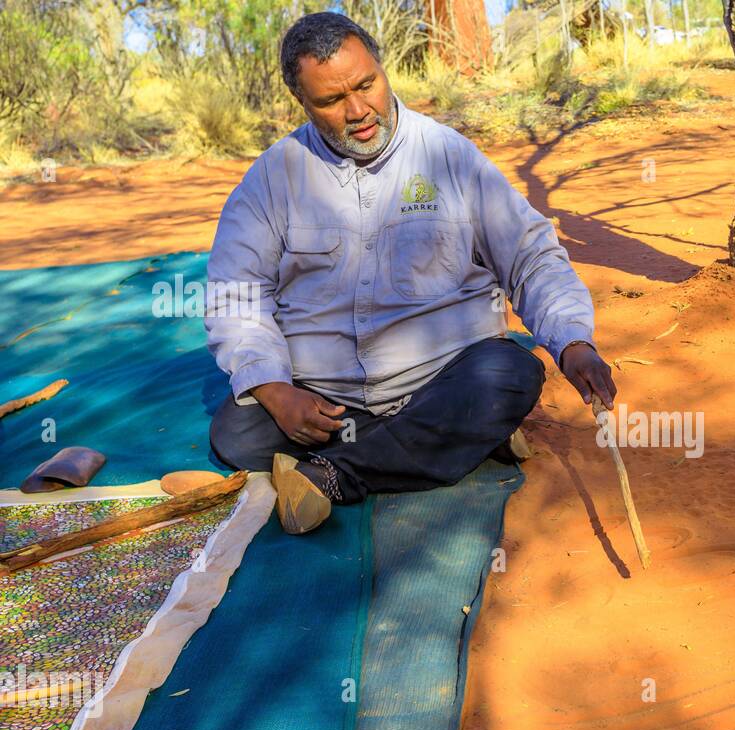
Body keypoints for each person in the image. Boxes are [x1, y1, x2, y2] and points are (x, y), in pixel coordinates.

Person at [205, 11, 616, 534]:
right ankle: (452, 438)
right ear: (303, 104)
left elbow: (529, 255)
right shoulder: (272, 176)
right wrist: (275, 390)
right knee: (237, 435)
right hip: (326, 396)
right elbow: (237, 294)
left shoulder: (447, 155)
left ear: (383, 68)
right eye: (332, 101)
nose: (358, 110)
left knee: (507, 377)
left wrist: (572, 340)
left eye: (366, 84)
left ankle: (334, 475)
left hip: (438, 376)